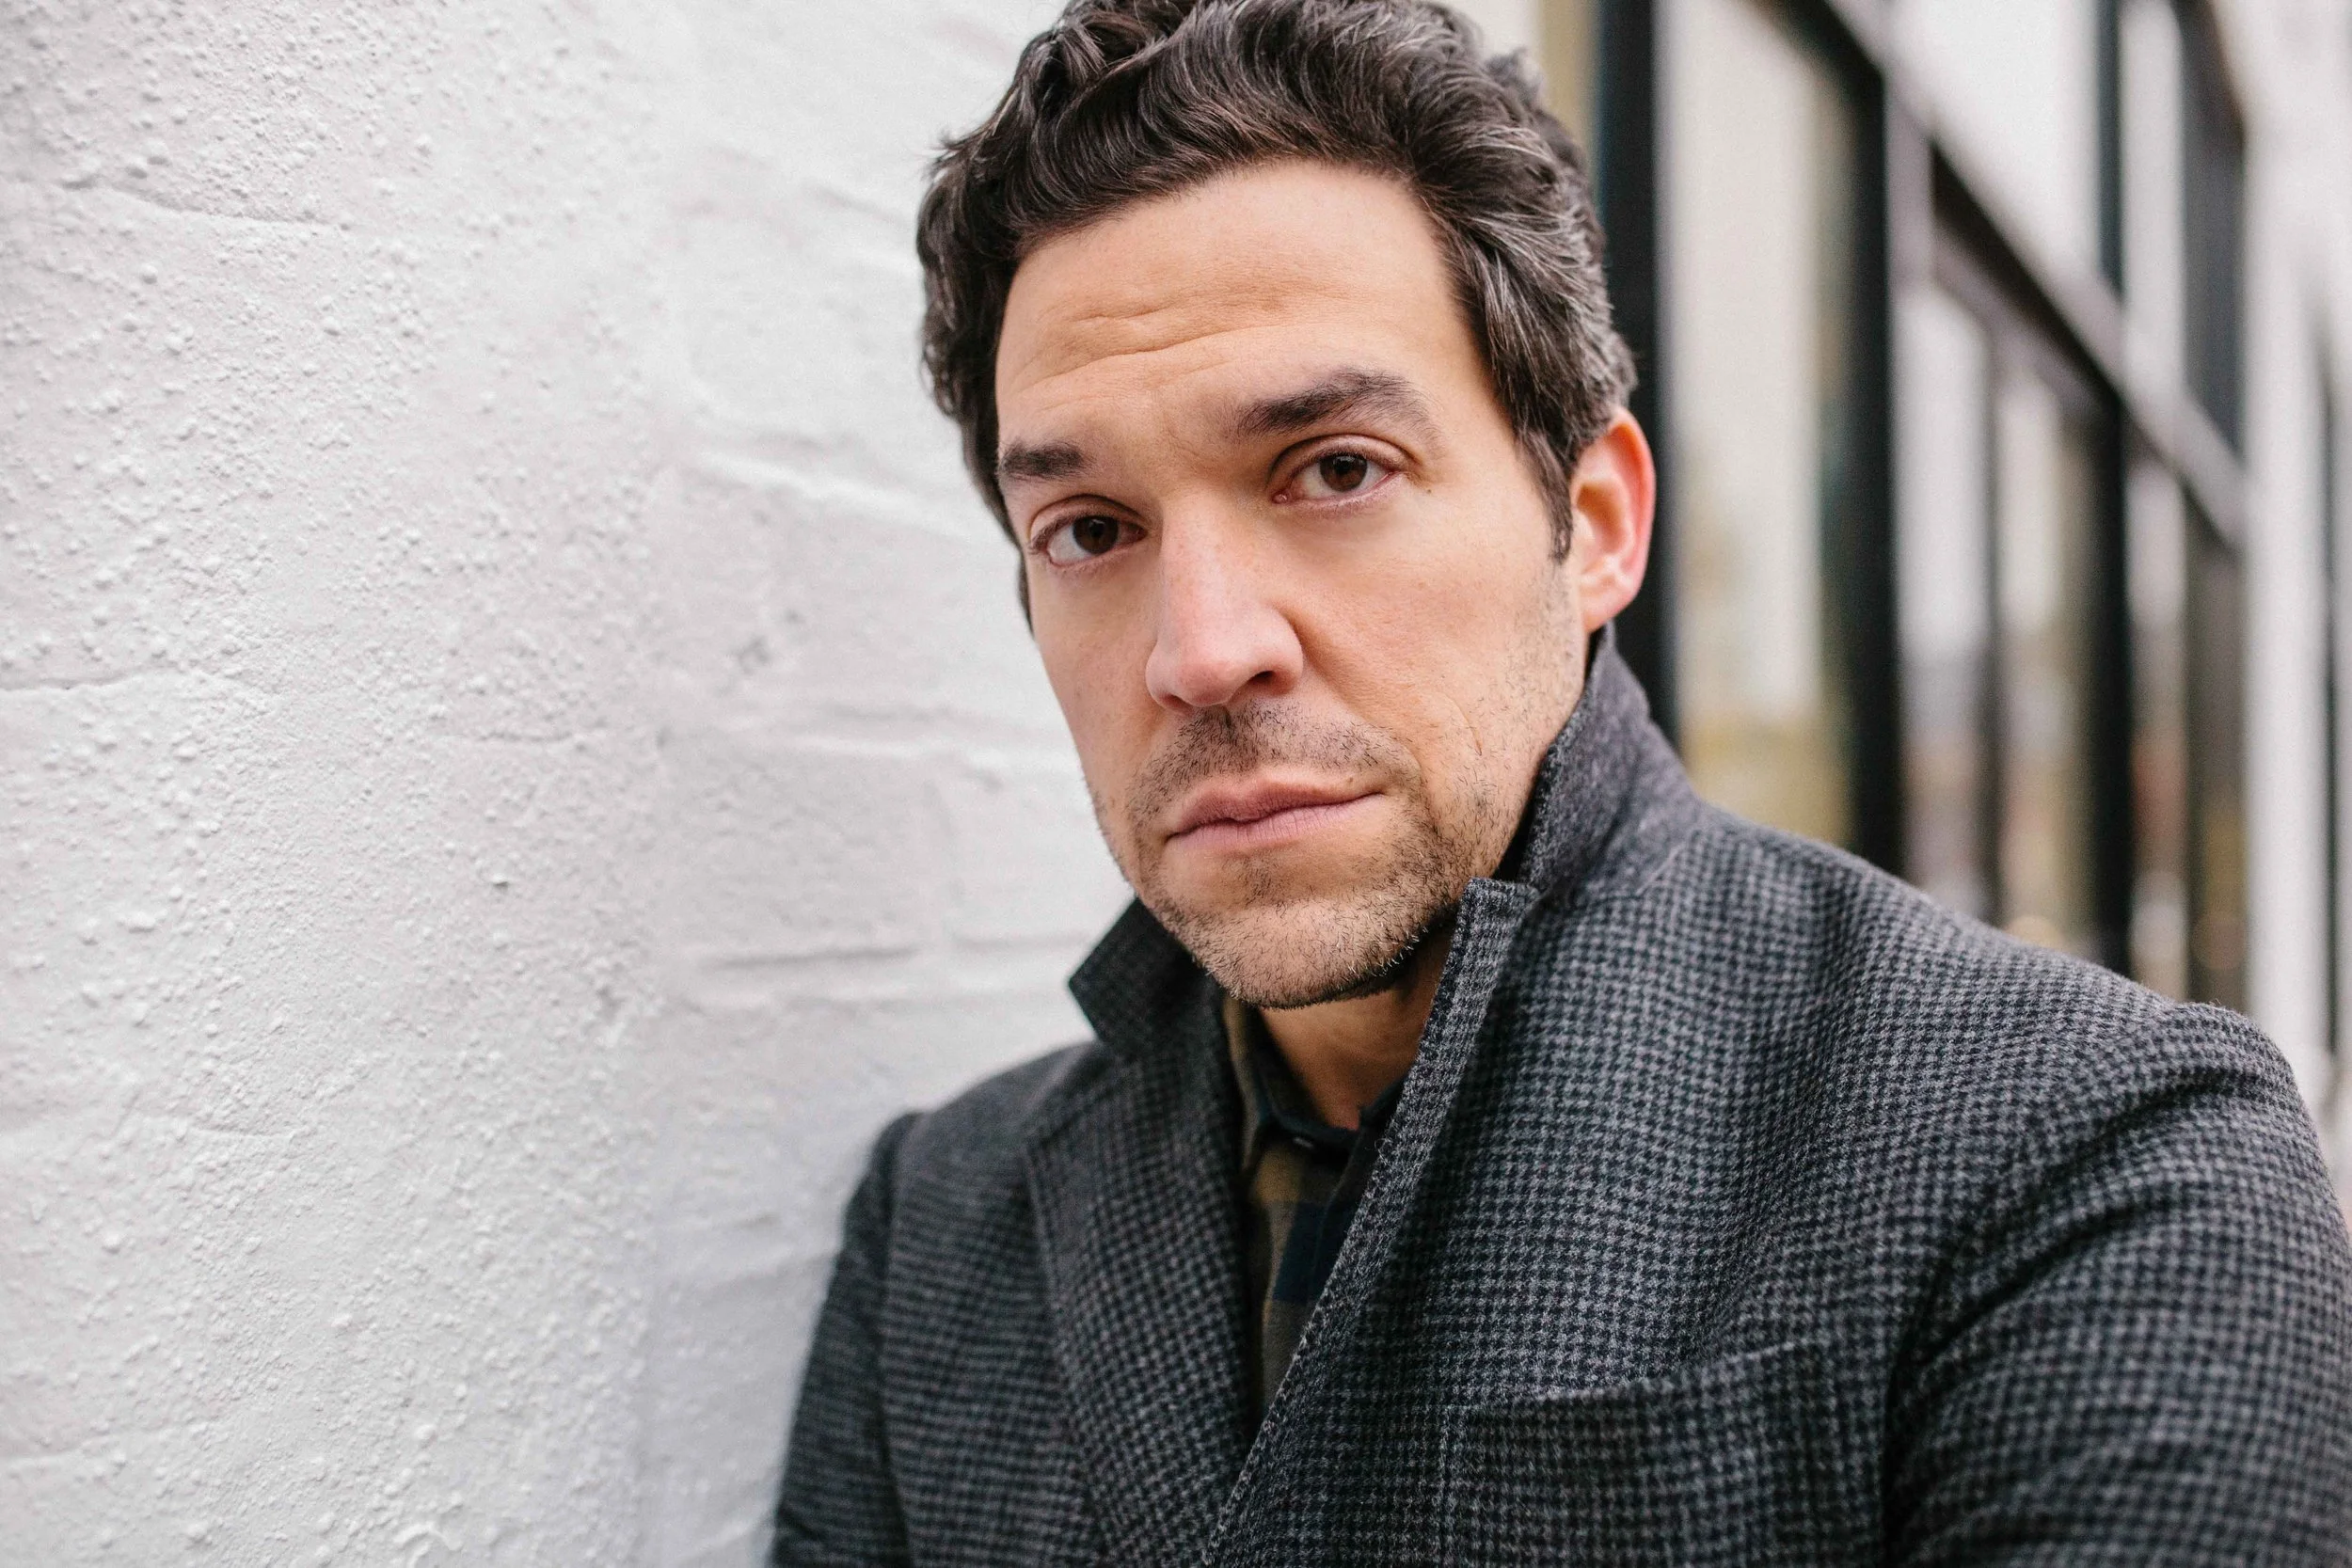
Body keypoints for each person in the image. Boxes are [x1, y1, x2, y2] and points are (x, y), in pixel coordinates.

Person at [772, 0, 2352, 1560]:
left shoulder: (2085, 1157)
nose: (1201, 649)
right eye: (1092, 529)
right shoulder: (943, 1226)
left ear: (1593, 521)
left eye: (1335, 469)